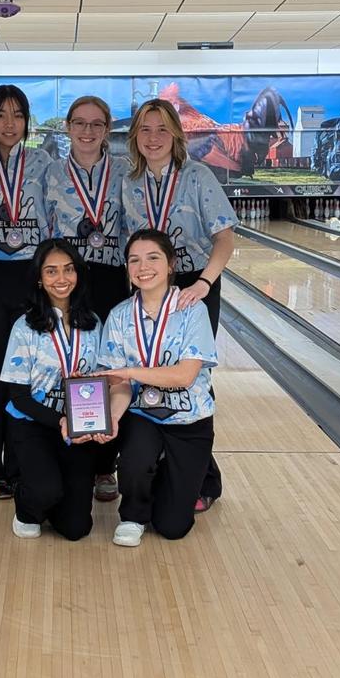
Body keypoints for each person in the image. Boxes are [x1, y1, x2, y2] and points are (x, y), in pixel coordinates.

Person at [121, 98, 237, 512]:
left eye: (162, 130)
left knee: (193, 381)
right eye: (145, 130)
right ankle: (151, 468)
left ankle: (205, 478)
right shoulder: (127, 180)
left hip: (192, 287)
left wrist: (205, 283)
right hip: (149, 286)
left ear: (176, 134)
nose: (153, 138)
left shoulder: (197, 176)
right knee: (150, 375)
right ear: (135, 136)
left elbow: (224, 237)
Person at [97, 229, 218, 547]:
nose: (143, 266)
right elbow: (120, 387)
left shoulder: (193, 310)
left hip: (190, 419)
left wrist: (131, 371)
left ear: (171, 264)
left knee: (172, 527)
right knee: (134, 459)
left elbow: (185, 376)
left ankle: (172, 473)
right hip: (144, 415)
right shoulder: (120, 316)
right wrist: (111, 419)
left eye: (153, 258)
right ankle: (133, 515)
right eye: (134, 260)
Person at [0, 84, 52, 499]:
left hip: (31, 278)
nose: (9, 123)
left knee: (28, 377)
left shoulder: (43, 162)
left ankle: (22, 464)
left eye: (17, 115)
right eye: (1, 114)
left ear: (27, 121)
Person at [44, 95, 128, 503]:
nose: (88, 131)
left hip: (113, 278)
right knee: (74, 362)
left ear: (107, 129)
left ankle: (105, 463)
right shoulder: (50, 173)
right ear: (68, 127)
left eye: (97, 124)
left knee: (109, 369)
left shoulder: (126, 173)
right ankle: (72, 445)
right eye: (80, 123)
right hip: (69, 280)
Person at [0, 239, 102, 540]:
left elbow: (103, 382)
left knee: (77, 529)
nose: (61, 279)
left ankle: (53, 497)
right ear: (39, 279)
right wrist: (60, 420)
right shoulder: (25, 327)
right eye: (52, 271)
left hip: (78, 427)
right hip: (32, 424)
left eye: (68, 270)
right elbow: (18, 397)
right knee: (45, 491)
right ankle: (28, 506)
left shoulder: (93, 323)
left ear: (78, 274)